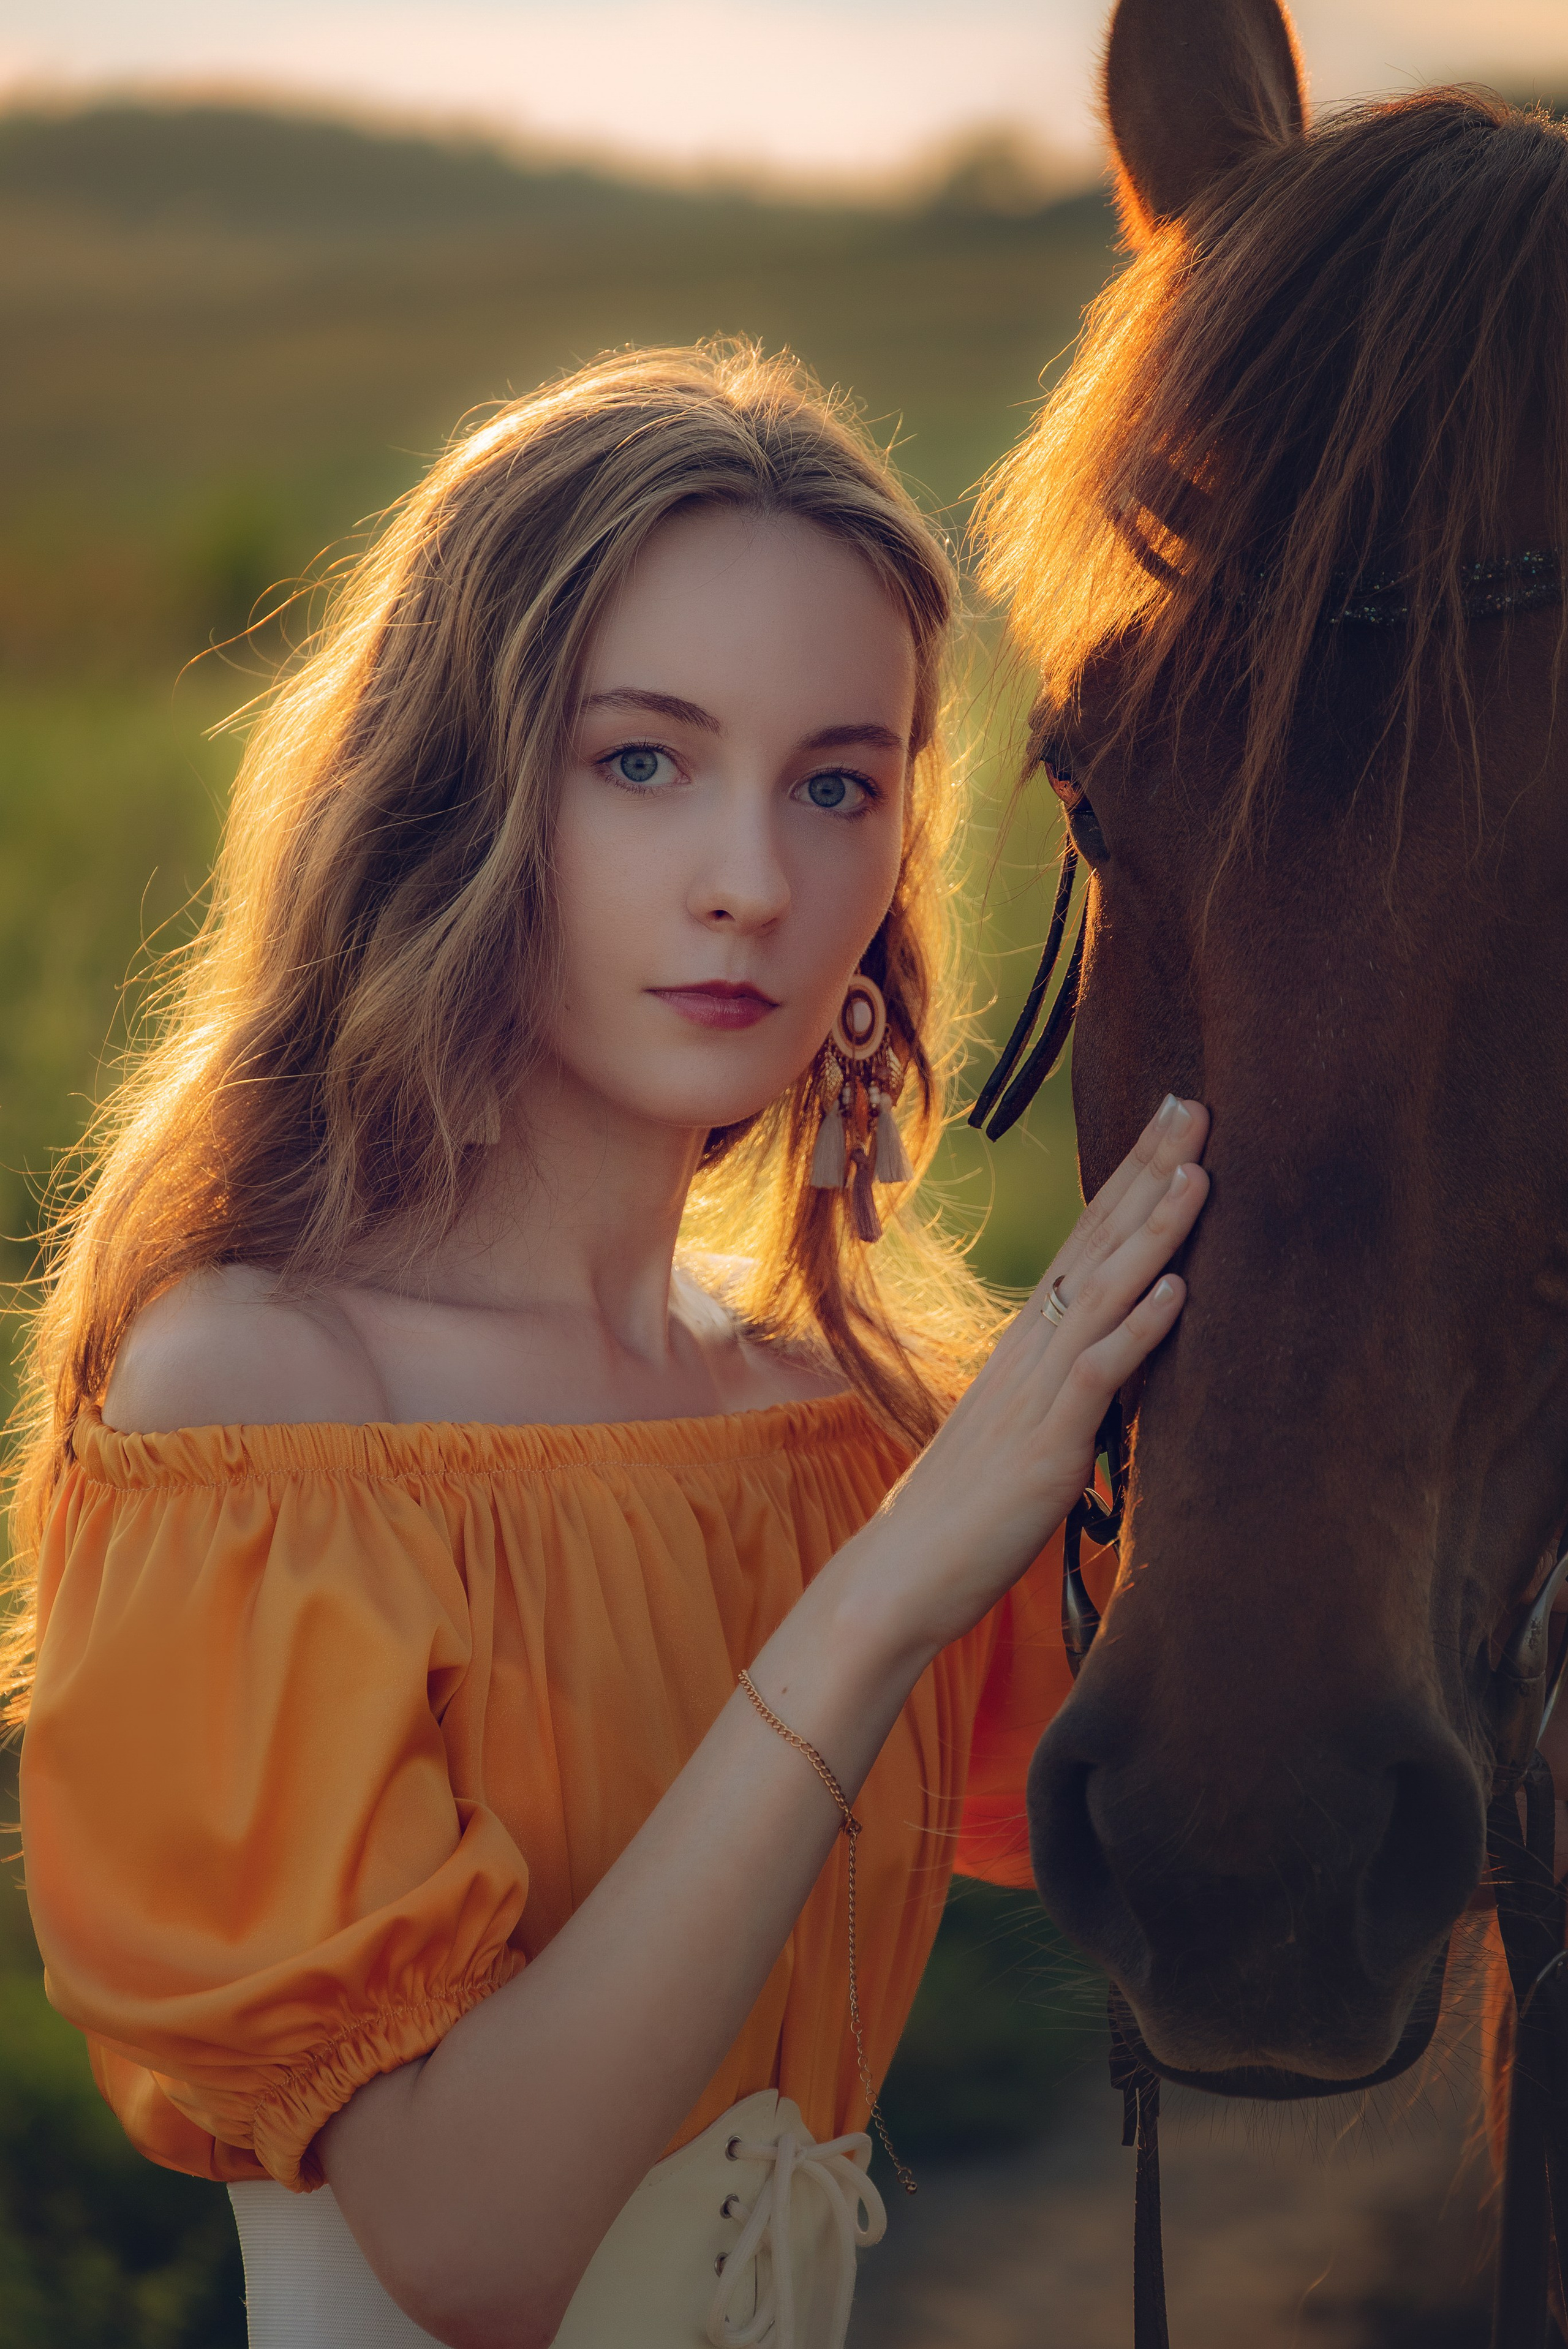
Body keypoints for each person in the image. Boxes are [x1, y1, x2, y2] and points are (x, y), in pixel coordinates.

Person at [12, 342, 1208, 2349]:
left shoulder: (837, 1424)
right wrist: (885, 1592)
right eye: (643, 760)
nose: (754, 879)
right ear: (464, 789)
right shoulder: (267, 1402)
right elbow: (467, 2248)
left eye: (839, 784)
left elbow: (1248, 1842)